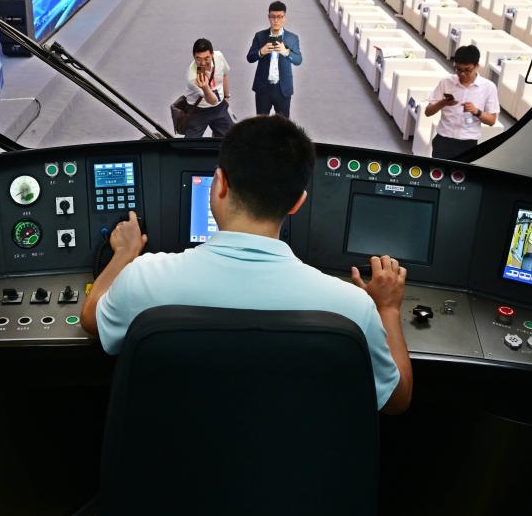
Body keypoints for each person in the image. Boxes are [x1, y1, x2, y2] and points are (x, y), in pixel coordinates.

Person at [79, 115, 413, 415]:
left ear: (220, 184)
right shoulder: (352, 309)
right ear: (298, 202)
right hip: (296, 477)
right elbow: (397, 399)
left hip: (174, 468)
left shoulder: (143, 280)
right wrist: (388, 309)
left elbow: (92, 317)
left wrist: (123, 255)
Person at [424, 44, 500, 160]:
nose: (462, 74)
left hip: (468, 143)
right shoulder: (446, 82)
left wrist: (476, 111)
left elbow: (491, 121)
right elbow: (428, 112)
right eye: (458, 69)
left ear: (476, 66)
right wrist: (443, 103)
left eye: (467, 70)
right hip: (443, 139)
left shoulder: (488, 87)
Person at [247, 1, 302, 118]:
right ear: (268, 17)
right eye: (273, 17)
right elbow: (250, 58)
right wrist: (260, 52)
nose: (276, 20)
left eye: (279, 17)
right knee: (261, 126)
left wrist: (286, 52)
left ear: (284, 18)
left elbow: (298, 60)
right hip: (263, 88)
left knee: (283, 126)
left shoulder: (292, 38)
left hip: (282, 89)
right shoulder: (260, 36)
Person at [182, 38, 234, 139]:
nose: (203, 63)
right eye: (198, 59)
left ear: (212, 54)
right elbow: (212, 101)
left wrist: (227, 97)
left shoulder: (219, 56)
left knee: (231, 139)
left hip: (219, 107)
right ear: (193, 57)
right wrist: (205, 87)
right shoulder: (192, 77)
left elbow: (224, 75)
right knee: (189, 146)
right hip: (198, 110)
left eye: (207, 58)